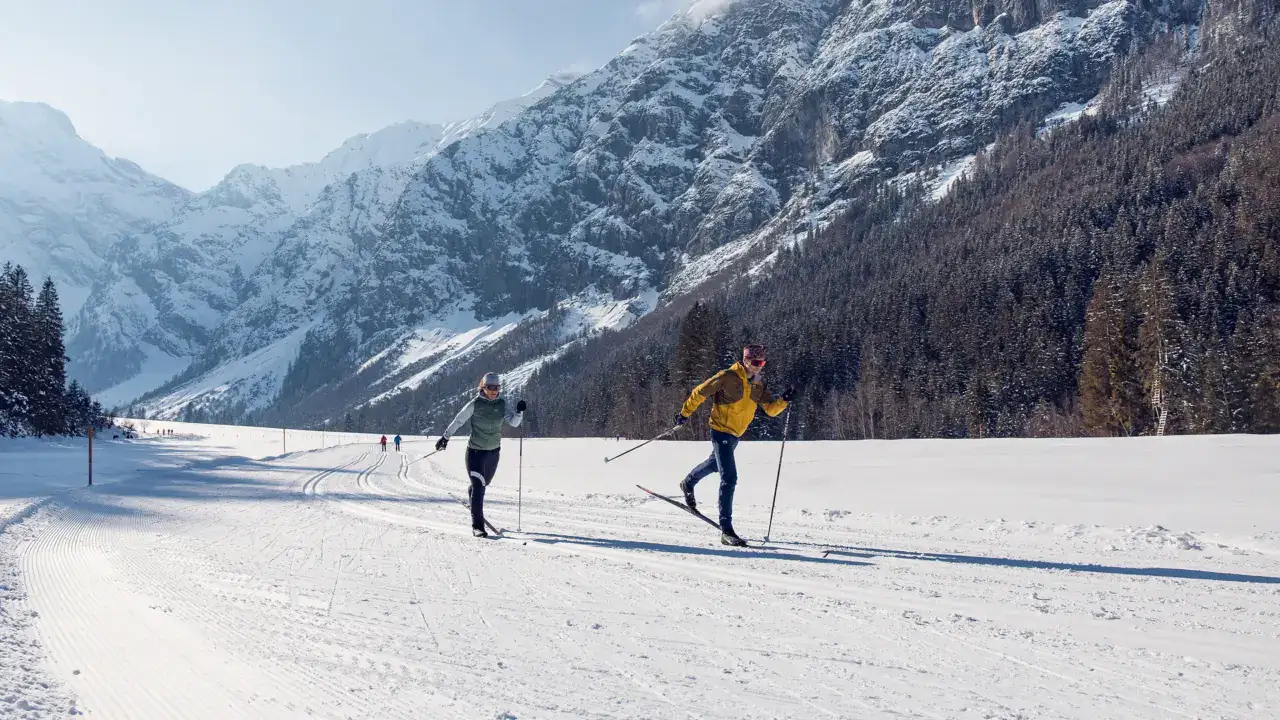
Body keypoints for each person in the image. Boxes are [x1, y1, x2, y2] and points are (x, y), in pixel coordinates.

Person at [675, 344, 794, 546]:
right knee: (729, 477)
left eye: (762, 363)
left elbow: (771, 410)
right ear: (745, 360)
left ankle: (688, 482)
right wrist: (684, 414)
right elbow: (699, 392)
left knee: (714, 464)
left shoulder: (757, 385)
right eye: (756, 362)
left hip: (735, 435)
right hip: (720, 430)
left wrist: (783, 400)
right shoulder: (727, 377)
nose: (759, 367)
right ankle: (726, 530)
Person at [436, 372, 527, 537]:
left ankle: (472, 492)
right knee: (480, 487)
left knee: (483, 484)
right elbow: (459, 420)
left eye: (497, 387)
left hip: (493, 452)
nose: (493, 390)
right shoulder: (475, 404)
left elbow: (513, 423)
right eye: (490, 387)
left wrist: (519, 412)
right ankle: (477, 526)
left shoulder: (501, 404)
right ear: (483, 387)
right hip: (475, 452)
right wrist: (445, 437)